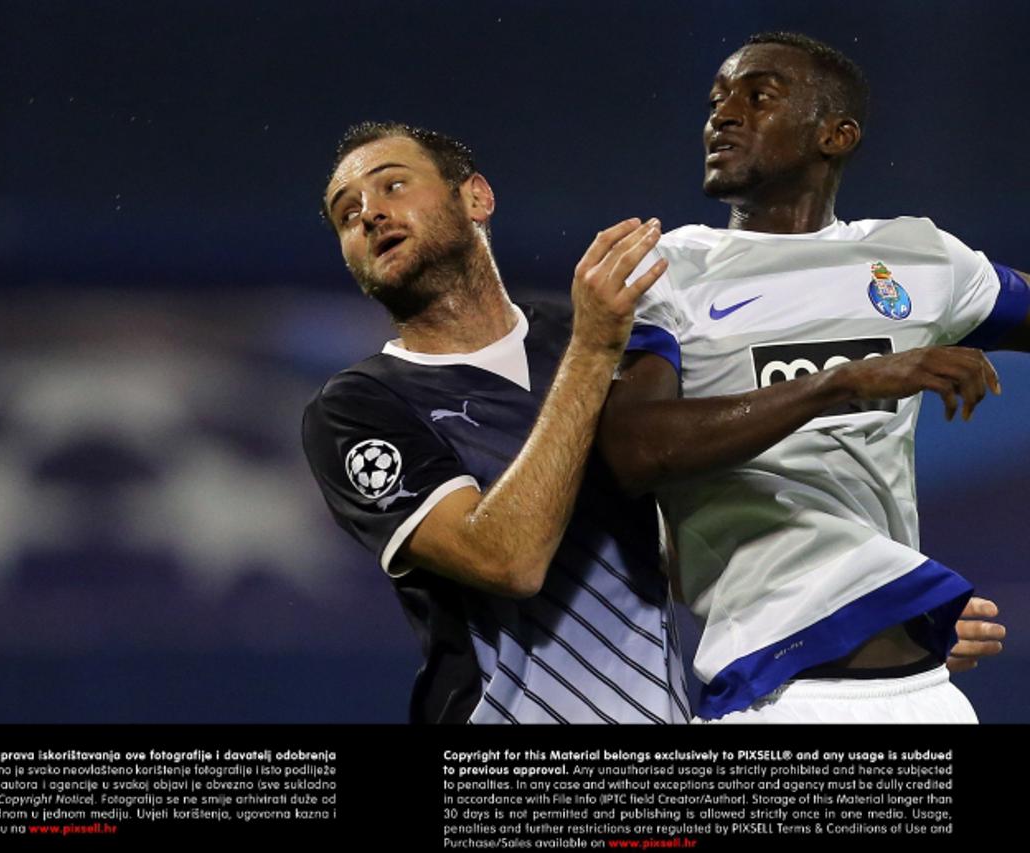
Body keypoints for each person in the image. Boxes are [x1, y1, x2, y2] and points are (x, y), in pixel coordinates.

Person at [599, 32, 1016, 723]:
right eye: (715, 101)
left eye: (757, 96)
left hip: (930, 694)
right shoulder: (667, 268)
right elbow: (635, 451)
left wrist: (901, 605)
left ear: (836, 134)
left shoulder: (918, 256)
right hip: (775, 693)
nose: (722, 115)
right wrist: (844, 381)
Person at [301, 121, 689, 723]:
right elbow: (505, 559)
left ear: (476, 196)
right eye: (347, 215)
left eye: (393, 186)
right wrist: (592, 352)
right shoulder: (358, 408)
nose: (371, 214)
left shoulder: (595, 334)